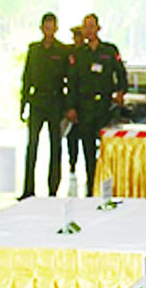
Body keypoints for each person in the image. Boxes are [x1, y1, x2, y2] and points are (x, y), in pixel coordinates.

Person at [67, 13, 129, 196]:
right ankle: (91, 188)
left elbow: (121, 74)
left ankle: (107, 189)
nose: (88, 30)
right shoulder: (78, 54)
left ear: (98, 28)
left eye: (91, 26)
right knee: (87, 150)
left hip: (105, 107)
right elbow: (72, 83)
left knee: (105, 149)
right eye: (85, 27)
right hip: (85, 107)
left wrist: (121, 91)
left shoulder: (109, 51)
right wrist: (71, 107)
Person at [20, 12, 70, 199]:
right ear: (41, 28)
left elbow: (70, 78)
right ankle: (28, 189)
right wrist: (23, 102)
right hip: (37, 101)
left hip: (56, 101)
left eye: (52, 28)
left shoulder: (62, 51)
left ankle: (53, 190)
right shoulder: (34, 49)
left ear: (56, 29)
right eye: (46, 27)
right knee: (32, 145)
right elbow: (26, 77)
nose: (49, 31)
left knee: (55, 145)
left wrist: (67, 106)